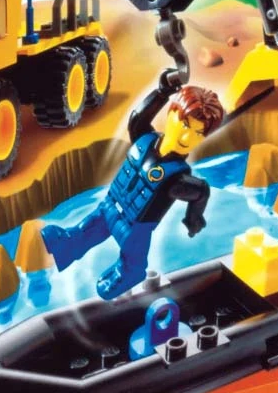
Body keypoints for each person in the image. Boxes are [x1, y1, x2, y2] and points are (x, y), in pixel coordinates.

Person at [42, 82, 223, 299]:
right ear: (171, 113)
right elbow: (138, 117)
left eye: (198, 133)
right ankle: (69, 243)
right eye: (185, 125)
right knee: (87, 228)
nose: (187, 138)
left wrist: (193, 219)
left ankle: (129, 272)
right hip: (110, 206)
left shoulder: (177, 178)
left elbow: (202, 190)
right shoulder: (144, 138)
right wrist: (162, 91)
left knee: (133, 258)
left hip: (135, 228)